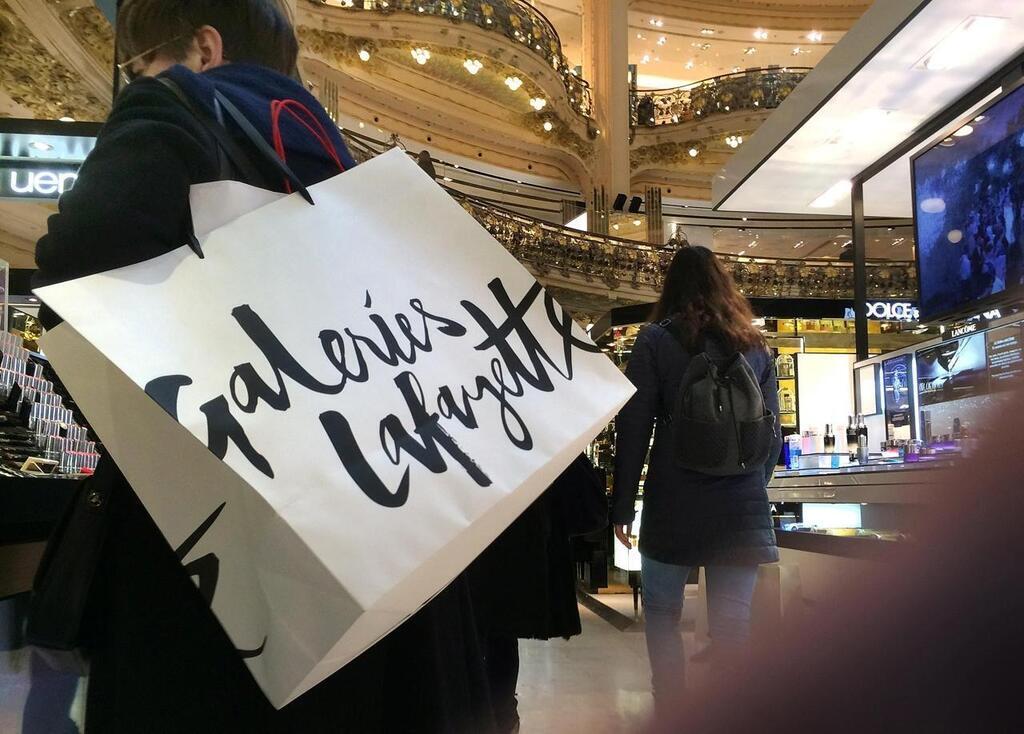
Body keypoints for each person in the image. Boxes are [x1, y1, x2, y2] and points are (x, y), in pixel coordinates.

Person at [32, 2, 495, 732]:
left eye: (140, 63)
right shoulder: (340, 164)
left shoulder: (177, 104)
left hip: (208, 557)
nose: (136, 81)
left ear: (204, 49)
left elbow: (77, 262)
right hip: (374, 544)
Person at [610, 245, 781, 710]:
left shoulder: (654, 341)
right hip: (738, 507)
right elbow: (771, 435)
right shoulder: (756, 346)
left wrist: (623, 507)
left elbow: (634, 428)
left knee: (664, 617)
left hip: (673, 503)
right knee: (731, 627)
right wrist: (749, 488)